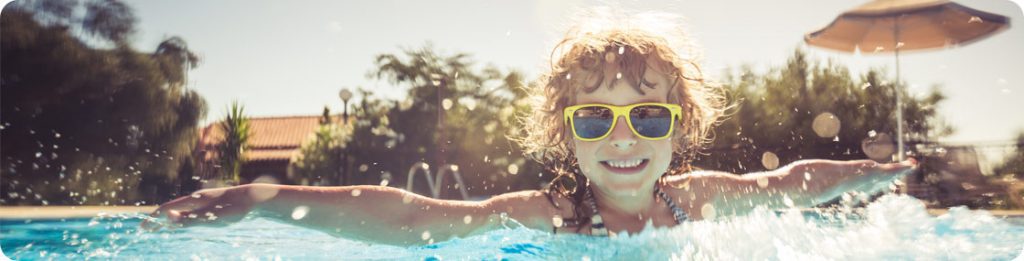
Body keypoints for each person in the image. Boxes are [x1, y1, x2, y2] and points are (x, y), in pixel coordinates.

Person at [142, 9, 916, 245]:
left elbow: (788, 185)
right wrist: (261, 194)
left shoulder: (697, 200)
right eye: (596, 116)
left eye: (648, 114)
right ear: (566, 132)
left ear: (679, 130)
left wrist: (880, 174)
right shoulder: (546, 215)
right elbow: (414, 217)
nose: (624, 136)